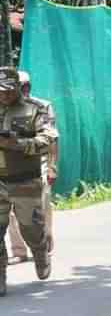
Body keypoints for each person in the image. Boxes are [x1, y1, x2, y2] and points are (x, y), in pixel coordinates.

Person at [0, 67, 57, 296]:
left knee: (30, 228)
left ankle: (40, 251)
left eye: (8, 91)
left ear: (18, 88)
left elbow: (48, 138)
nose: (3, 95)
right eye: (0, 91)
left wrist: (18, 144)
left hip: (25, 180)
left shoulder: (36, 109)